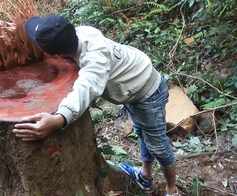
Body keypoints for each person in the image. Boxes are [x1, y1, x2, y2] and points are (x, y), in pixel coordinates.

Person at [12, 15, 180, 196]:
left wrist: (59, 119)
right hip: (134, 90)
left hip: (148, 93)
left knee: (157, 145)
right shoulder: (77, 34)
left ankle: (172, 190)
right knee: (141, 132)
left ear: (55, 55)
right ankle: (145, 176)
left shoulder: (95, 61)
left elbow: (86, 88)